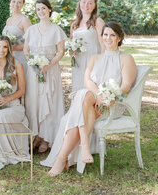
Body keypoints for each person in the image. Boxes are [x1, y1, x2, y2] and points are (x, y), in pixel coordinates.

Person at [41, 21, 137, 176]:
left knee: (80, 102)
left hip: (111, 103)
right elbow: (87, 82)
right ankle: (83, 148)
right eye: (105, 34)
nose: (108, 38)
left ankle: (62, 159)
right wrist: (98, 95)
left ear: (119, 38)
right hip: (93, 99)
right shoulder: (95, 58)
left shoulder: (126, 58)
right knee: (84, 94)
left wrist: (109, 95)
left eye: (112, 35)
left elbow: (126, 85)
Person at [23, 0, 66, 153]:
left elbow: (61, 52)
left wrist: (48, 65)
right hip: (34, 72)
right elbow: (26, 51)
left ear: (49, 9)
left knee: (50, 101)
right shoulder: (31, 30)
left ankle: (47, 138)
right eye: (38, 9)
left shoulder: (56, 30)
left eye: (43, 8)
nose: (40, 11)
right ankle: (35, 135)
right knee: (34, 102)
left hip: (50, 71)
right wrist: (33, 64)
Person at [0, 36, 30, 164]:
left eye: (5, 47)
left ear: (9, 49)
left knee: (2, 116)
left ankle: (9, 153)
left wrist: (6, 99)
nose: (1, 50)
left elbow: (22, 90)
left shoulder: (17, 65)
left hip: (13, 106)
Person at [70, 0, 105, 92]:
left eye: (90, 3)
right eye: (84, 2)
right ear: (79, 3)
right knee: (78, 86)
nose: (86, 6)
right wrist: (71, 52)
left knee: (91, 89)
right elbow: (71, 43)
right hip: (78, 61)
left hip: (92, 60)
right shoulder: (74, 24)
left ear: (94, 6)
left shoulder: (98, 22)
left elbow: (103, 44)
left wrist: (100, 63)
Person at [2, 0, 31, 73]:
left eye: (19, 2)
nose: (16, 4)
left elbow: (31, 42)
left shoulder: (25, 20)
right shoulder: (8, 20)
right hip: (8, 57)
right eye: (14, 1)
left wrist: (12, 48)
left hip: (20, 57)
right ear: (10, 2)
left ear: (23, 4)